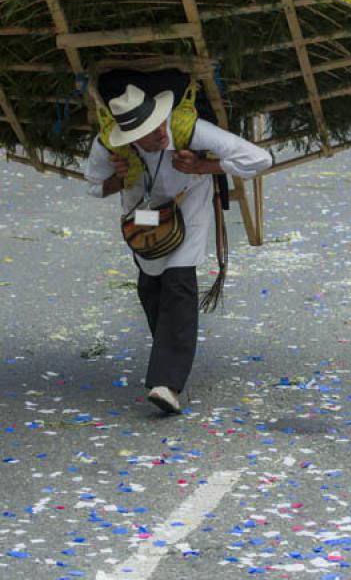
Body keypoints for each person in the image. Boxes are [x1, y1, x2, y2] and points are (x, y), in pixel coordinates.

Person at [85, 83, 272, 415]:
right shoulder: (108, 145)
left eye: (158, 124)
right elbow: (93, 186)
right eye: (146, 133)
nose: (159, 133)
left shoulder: (188, 130)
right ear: (129, 138)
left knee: (178, 285)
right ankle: (169, 359)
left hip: (188, 213)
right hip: (144, 224)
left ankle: (167, 384)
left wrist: (204, 168)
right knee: (151, 289)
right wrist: (118, 176)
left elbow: (260, 159)